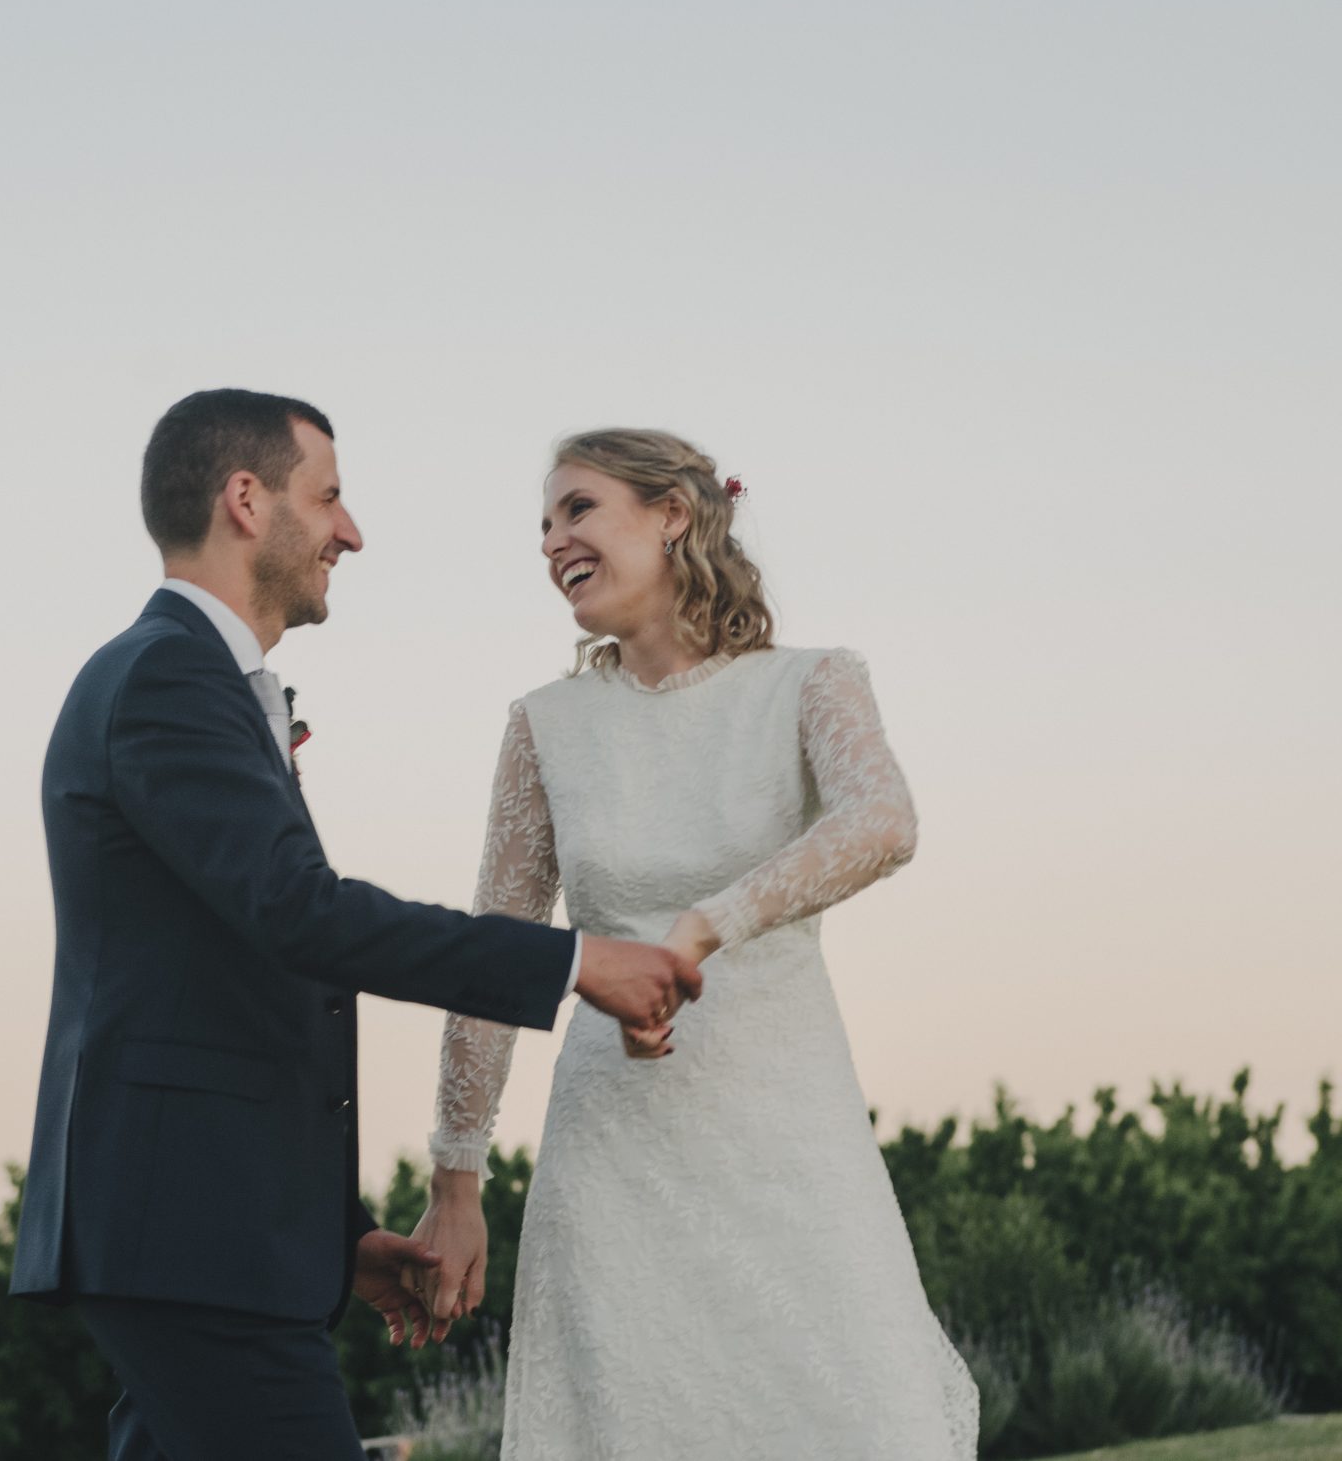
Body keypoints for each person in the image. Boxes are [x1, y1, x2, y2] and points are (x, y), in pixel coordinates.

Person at [10, 390, 706, 1461]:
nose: (351, 530)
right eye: (328, 496)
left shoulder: (191, 678)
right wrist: (573, 960)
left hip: (200, 1235)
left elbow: (232, 978)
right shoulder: (166, 674)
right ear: (247, 501)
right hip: (189, 1240)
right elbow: (302, 915)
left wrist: (339, 1240)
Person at [408, 426, 979, 1459]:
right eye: (543, 524)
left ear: (672, 513)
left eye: (578, 508)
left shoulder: (811, 681)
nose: (552, 540)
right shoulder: (545, 725)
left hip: (790, 1138)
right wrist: (456, 1179)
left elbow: (883, 821)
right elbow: (493, 954)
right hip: (612, 1157)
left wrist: (706, 925)